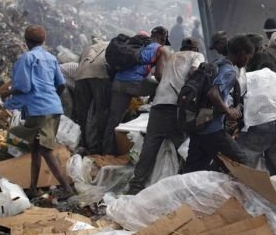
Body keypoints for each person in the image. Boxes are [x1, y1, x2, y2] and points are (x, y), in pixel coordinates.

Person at [3, 25, 73, 198]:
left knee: (45, 149)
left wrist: (8, 92)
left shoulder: (26, 58)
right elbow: (61, 84)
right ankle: (33, 188)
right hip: (51, 108)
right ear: (43, 40)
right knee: (34, 148)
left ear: (26, 41)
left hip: (39, 109)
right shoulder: (51, 58)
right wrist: (50, 98)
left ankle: (67, 189)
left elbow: (23, 86)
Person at [127, 38, 205, 194]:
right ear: (195, 48)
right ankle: (187, 184)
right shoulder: (197, 56)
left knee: (150, 145)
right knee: (183, 146)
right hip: (177, 105)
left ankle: (136, 185)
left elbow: (158, 74)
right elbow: (193, 72)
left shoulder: (172, 56)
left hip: (159, 103)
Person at [183, 35, 255, 173]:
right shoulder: (229, 71)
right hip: (212, 130)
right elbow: (213, 93)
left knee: (194, 170)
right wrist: (229, 111)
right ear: (242, 53)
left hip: (199, 127)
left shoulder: (216, 63)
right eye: (248, 57)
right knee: (242, 162)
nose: (247, 61)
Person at [103, 26, 171, 155]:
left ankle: (107, 152)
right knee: (160, 87)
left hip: (118, 82)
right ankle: (153, 109)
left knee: (114, 119)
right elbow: (158, 75)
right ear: (162, 38)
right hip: (134, 83)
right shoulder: (160, 49)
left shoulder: (135, 44)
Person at [237, 68, 276, 176]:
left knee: (246, 160)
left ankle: (246, 187)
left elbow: (236, 95)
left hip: (257, 122)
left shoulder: (248, 76)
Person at [73, 40, 111, 155]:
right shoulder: (111, 45)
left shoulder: (90, 47)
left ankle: (82, 144)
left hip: (80, 75)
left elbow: (79, 62)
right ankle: (97, 148)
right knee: (101, 113)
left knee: (82, 113)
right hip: (100, 75)